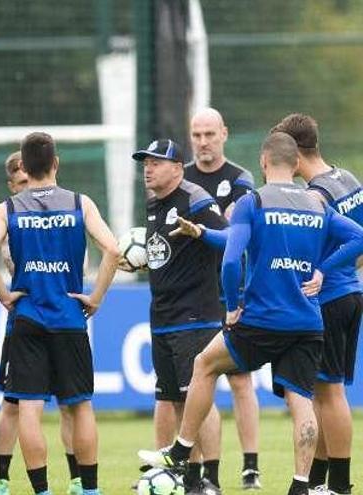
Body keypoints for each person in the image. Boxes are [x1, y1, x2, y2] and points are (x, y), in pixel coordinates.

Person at [139, 131, 363, 495]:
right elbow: (359, 236)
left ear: (263, 162)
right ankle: (302, 484)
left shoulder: (253, 202)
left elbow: (231, 260)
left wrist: (231, 307)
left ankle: (180, 451)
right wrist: (323, 268)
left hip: (261, 320)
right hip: (307, 322)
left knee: (205, 364)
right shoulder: (316, 204)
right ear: (295, 164)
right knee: (301, 399)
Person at [0, 132, 120, 495]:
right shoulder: (79, 203)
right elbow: (113, 250)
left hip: (27, 318)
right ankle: (89, 489)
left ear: (23, 166)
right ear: (56, 163)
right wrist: (97, 296)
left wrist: (4, 295)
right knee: (80, 406)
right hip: (70, 318)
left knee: (28, 408)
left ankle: (41, 490)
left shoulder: (7, 209)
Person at [124, 139, 225, 494]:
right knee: (179, 400)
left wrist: (201, 232)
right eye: (145, 162)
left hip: (195, 315)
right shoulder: (154, 204)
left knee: (199, 397)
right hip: (163, 317)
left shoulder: (195, 198)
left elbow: (230, 237)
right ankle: (190, 478)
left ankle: (211, 478)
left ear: (178, 168)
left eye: (155, 162)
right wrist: (135, 259)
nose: (147, 168)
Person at [273, 113, 363, 495]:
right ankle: (320, 482)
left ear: (293, 154)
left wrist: (323, 271)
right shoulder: (348, 179)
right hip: (351, 293)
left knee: (329, 393)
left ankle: (340, 486)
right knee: (328, 390)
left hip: (328, 299)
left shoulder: (316, 195)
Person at [0, 151, 81, 495]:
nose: (30, 188)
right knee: (14, 404)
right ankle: (1, 478)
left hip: (58, 314)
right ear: (13, 184)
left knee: (69, 405)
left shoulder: (61, 210)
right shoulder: (10, 216)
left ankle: (75, 479)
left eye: (30, 180)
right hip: (25, 320)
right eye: (22, 183)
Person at [184, 108, 261, 490]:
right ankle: (194, 471)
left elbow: (235, 236)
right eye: (197, 135)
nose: (203, 142)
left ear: (224, 134)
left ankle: (250, 465)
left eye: (209, 134)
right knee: (198, 380)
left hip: (234, 291)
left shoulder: (241, 180)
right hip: (194, 294)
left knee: (241, 381)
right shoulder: (179, 177)